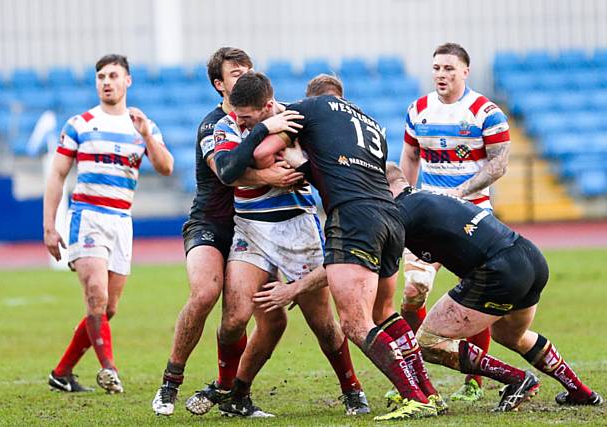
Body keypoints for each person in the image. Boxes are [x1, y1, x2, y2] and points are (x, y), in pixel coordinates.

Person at [251, 74, 441, 421]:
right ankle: (429, 391)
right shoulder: (370, 123)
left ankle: (416, 397)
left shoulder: (308, 108)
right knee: (385, 315)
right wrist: (307, 166)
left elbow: (263, 149)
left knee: (355, 323)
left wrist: (269, 137)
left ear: (311, 98)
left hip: (353, 218)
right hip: (390, 218)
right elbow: (348, 173)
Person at [184, 71, 370, 418]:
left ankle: (353, 390)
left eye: (248, 117)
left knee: (323, 324)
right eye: (237, 117)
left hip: (297, 228)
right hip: (250, 229)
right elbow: (228, 170)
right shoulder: (227, 124)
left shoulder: (294, 118)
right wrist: (260, 134)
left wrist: (264, 151)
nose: (239, 121)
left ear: (268, 105)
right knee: (235, 317)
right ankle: (231, 391)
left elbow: (299, 165)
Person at [151, 47, 302, 416]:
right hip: (211, 223)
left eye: (249, 69)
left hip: (254, 227)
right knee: (205, 293)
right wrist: (270, 173)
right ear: (219, 84)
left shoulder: (271, 112)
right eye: (236, 72)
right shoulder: (211, 125)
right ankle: (170, 382)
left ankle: (234, 394)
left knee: (271, 318)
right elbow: (226, 172)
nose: (244, 75)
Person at [386, 162, 604, 411]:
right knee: (511, 336)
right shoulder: (427, 196)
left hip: (499, 270)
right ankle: (581, 392)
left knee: (427, 341)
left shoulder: (400, 211)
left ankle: (518, 380)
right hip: (529, 256)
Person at [44, 54, 174, 394]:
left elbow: (166, 167)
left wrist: (147, 134)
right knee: (96, 296)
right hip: (88, 216)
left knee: (108, 308)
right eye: (101, 76)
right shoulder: (81, 123)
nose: (106, 81)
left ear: (127, 81)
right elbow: (57, 175)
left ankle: (62, 373)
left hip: (122, 221)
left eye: (113, 75)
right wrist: (49, 225)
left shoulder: (143, 124)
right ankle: (109, 369)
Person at [399, 43, 511, 401]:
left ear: (465, 71)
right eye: (436, 68)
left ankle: (474, 383)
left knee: (473, 299)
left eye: (448, 68)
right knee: (413, 291)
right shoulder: (418, 110)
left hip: (472, 216)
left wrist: (461, 192)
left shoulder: (486, 112)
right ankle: (416, 375)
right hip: (427, 216)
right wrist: (404, 200)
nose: (441, 75)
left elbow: (499, 164)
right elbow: (410, 157)